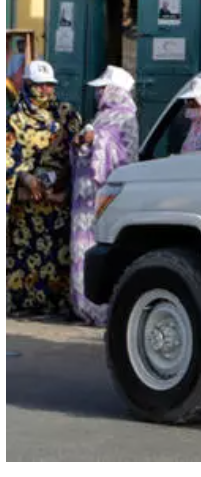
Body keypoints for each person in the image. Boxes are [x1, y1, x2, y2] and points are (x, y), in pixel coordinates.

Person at [8, 61, 82, 316]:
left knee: (57, 253)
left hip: (57, 199)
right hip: (28, 204)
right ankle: (24, 302)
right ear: (28, 86)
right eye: (39, 85)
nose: (46, 90)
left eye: (49, 85)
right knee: (25, 253)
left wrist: (60, 181)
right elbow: (7, 157)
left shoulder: (65, 114)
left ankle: (58, 303)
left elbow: (78, 151)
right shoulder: (14, 119)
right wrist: (26, 179)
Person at [71, 66, 138, 325]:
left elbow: (125, 155)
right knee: (81, 247)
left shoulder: (126, 118)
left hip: (103, 197)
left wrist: (95, 138)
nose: (99, 93)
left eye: (103, 88)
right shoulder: (102, 117)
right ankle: (83, 306)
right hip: (84, 197)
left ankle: (101, 310)